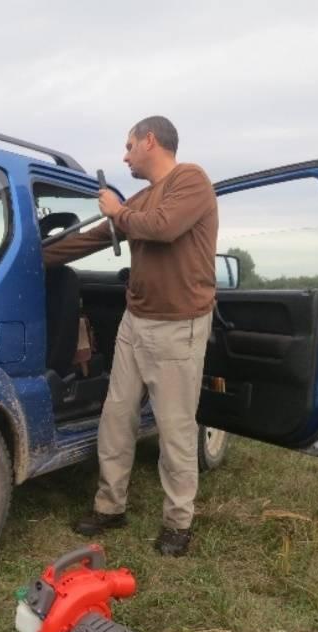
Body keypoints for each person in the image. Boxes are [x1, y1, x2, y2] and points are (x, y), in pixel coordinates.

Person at [42, 116, 218, 556]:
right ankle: (110, 506)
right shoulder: (140, 199)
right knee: (116, 418)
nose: (124, 156)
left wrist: (118, 211)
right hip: (134, 323)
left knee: (175, 428)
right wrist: (33, 255)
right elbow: (96, 238)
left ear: (150, 141)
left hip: (179, 325)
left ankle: (178, 523)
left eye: (129, 146)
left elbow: (161, 227)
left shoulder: (190, 181)